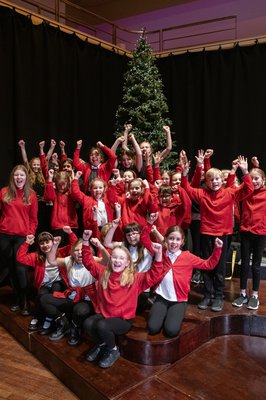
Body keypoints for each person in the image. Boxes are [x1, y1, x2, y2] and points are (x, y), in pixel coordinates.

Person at [181, 155, 253, 312]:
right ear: (206, 182)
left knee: (219, 268)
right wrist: (185, 174)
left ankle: (218, 296)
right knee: (207, 266)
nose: (214, 182)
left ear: (222, 180)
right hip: (206, 234)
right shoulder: (202, 194)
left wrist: (245, 172)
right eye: (211, 180)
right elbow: (186, 188)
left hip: (222, 235)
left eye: (217, 179)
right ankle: (207, 295)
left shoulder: (229, 193)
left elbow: (248, 188)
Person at [82, 229, 163, 368]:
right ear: (110, 259)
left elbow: (154, 274)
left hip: (123, 319)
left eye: (121, 258)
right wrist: (85, 241)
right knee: (88, 324)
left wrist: (159, 254)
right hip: (106, 314)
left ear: (127, 263)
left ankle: (113, 350)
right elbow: (88, 261)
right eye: (114, 257)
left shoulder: (134, 278)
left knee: (102, 326)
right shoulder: (103, 273)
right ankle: (102, 343)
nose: (117, 261)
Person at [140, 215, 223, 337]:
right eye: (171, 239)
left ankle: (174, 313)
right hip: (161, 297)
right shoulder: (160, 252)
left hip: (178, 300)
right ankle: (162, 312)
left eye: (178, 239)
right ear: (166, 240)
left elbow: (208, 264)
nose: (174, 242)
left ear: (182, 242)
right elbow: (144, 239)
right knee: (152, 328)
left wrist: (217, 249)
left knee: (171, 331)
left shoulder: (188, 257)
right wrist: (149, 223)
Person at [39, 233, 101, 344]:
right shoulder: (69, 260)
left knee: (79, 310)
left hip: (87, 299)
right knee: (44, 299)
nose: (80, 252)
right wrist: (55, 245)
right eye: (77, 250)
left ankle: (75, 328)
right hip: (72, 297)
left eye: (83, 250)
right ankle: (63, 323)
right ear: (73, 252)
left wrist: (100, 246)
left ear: (89, 251)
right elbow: (52, 260)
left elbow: (107, 262)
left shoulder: (93, 260)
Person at [16, 229, 76, 331]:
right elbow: (20, 258)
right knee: (41, 295)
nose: (45, 245)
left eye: (47, 242)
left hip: (59, 282)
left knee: (55, 289)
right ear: (39, 245)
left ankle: (49, 318)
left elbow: (74, 245)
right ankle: (37, 316)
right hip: (45, 284)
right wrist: (26, 243)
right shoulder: (36, 256)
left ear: (52, 242)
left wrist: (70, 233)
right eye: (42, 243)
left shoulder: (60, 252)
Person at [0, 165, 38, 314]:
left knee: (21, 269)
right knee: (11, 269)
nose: (19, 178)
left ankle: (25, 301)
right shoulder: (4, 192)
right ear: (12, 177)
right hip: (4, 236)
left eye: (22, 175)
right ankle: (16, 299)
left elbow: (33, 220)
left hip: (22, 237)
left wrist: (31, 234)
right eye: (16, 175)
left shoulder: (31, 195)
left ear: (26, 177)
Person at [232, 165, 266, 310]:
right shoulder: (245, 192)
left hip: (260, 233)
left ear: (264, 180)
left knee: (256, 266)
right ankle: (243, 294)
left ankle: (255, 295)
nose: (254, 181)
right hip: (245, 232)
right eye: (251, 179)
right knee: (244, 264)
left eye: (257, 178)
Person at [44, 169, 78, 245]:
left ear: (68, 183)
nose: (62, 187)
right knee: (59, 249)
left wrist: (74, 181)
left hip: (71, 225)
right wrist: (49, 179)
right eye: (59, 185)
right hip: (58, 226)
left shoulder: (71, 193)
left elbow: (76, 195)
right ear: (56, 183)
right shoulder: (55, 193)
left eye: (64, 184)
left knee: (72, 247)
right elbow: (48, 197)